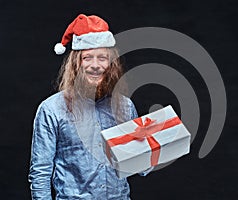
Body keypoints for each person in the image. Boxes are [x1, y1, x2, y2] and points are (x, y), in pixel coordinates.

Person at [28, 13, 150, 199]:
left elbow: (138, 166)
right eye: (87, 58)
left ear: (111, 64)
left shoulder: (125, 106)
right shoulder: (51, 109)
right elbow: (40, 173)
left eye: (102, 58)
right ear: (76, 64)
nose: (95, 65)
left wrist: (157, 143)